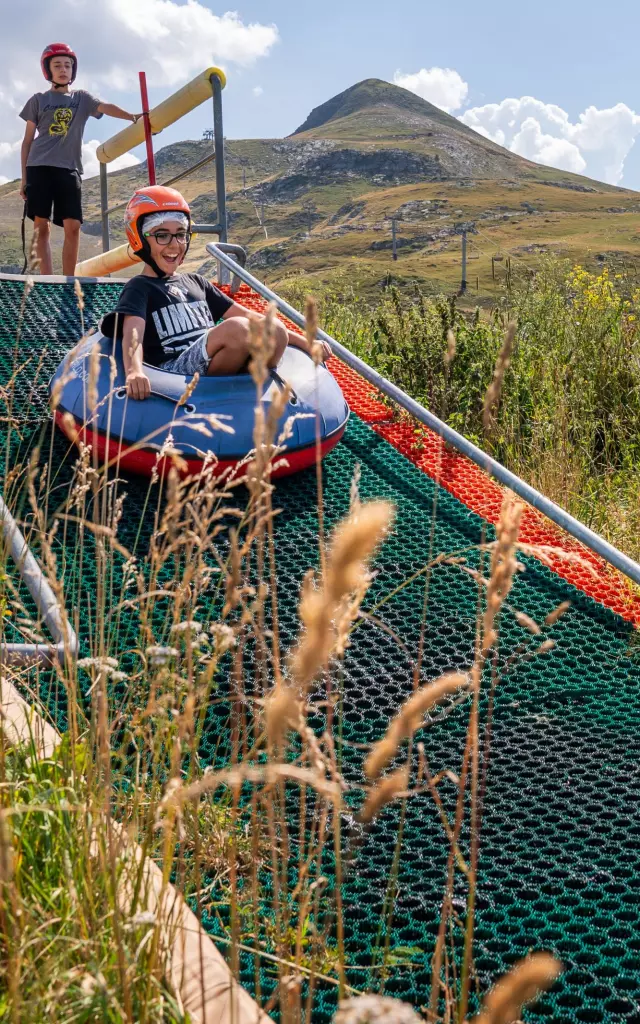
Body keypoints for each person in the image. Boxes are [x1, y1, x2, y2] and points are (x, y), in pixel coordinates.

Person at [101, 185, 331, 398]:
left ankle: (254, 393)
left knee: (275, 328)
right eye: (162, 235)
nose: (174, 244)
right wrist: (134, 371)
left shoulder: (197, 282)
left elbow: (250, 316)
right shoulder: (139, 287)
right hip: (176, 373)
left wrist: (306, 343)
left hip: (214, 360)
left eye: (181, 234)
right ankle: (217, 396)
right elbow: (133, 336)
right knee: (237, 329)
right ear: (140, 238)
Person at [20, 43, 139, 276]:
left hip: (69, 168)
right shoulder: (37, 100)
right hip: (39, 166)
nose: (63, 69)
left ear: (73, 70)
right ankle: (47, 281)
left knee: (72, 225)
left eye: (68, 65)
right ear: (48, 70)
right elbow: (27, 142)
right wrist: (24, 179)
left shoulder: (82, 98)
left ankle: (67, 280)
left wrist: (132, 117)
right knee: (40, 226)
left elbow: (105, 106)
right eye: (57, 65)